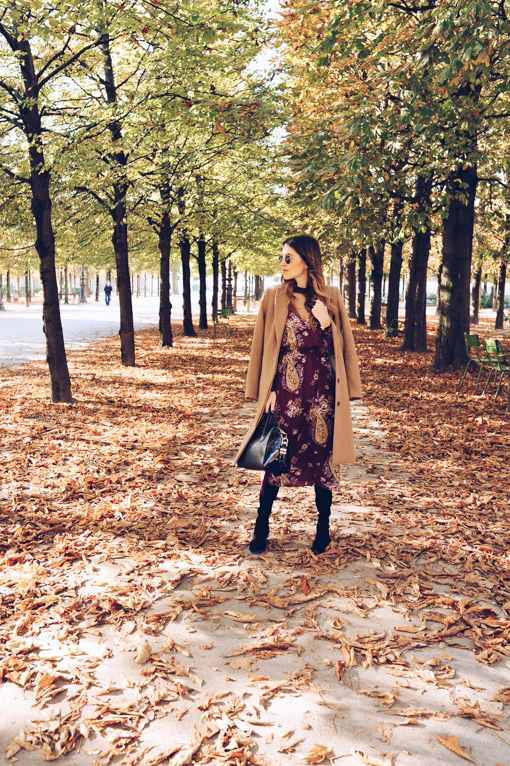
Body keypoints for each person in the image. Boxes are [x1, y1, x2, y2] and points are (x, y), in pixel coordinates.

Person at [235, 234, 362, 555]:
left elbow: (342, 346)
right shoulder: (274, 297)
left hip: (321, 391)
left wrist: (325, 322)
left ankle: (323, 530)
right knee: (277, 458)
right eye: (282, 257)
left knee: (321, 460)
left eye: (288, 257)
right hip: (286, 392)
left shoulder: (330, 297)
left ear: (307, 260)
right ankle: (260, 528)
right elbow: (262, 347)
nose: (283, 263)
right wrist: (267, 391)